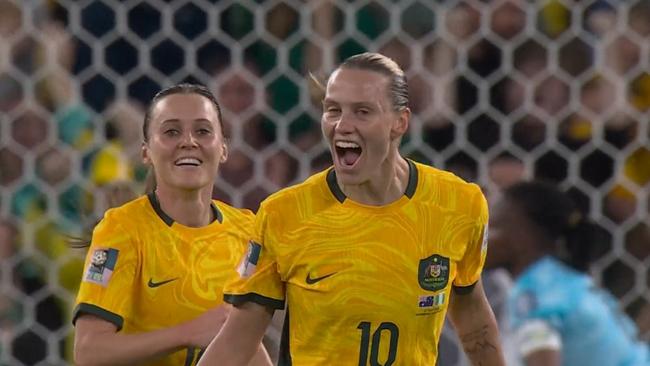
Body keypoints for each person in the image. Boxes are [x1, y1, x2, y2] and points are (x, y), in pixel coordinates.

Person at [198, 52, 505, 365]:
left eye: (362, 112)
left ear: (400, 122)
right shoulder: (286, 213)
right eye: (333, 110)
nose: (342, 125)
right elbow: (236, 342)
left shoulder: (457, 203)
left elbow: (473, 319)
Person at [72, 83, 271, 366]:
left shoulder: (248, 230)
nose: (188, 141)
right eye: (171, 131)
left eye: (202, 131)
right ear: (146, 152)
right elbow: (89, 351)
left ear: (223, 148)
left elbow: (245, 342)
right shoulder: (122, 229)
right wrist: (188, 333)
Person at [485, 181, 650, 366]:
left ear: (522, 236)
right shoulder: (564, 280)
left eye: (490, 228)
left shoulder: (534, 293)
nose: (478, 239)